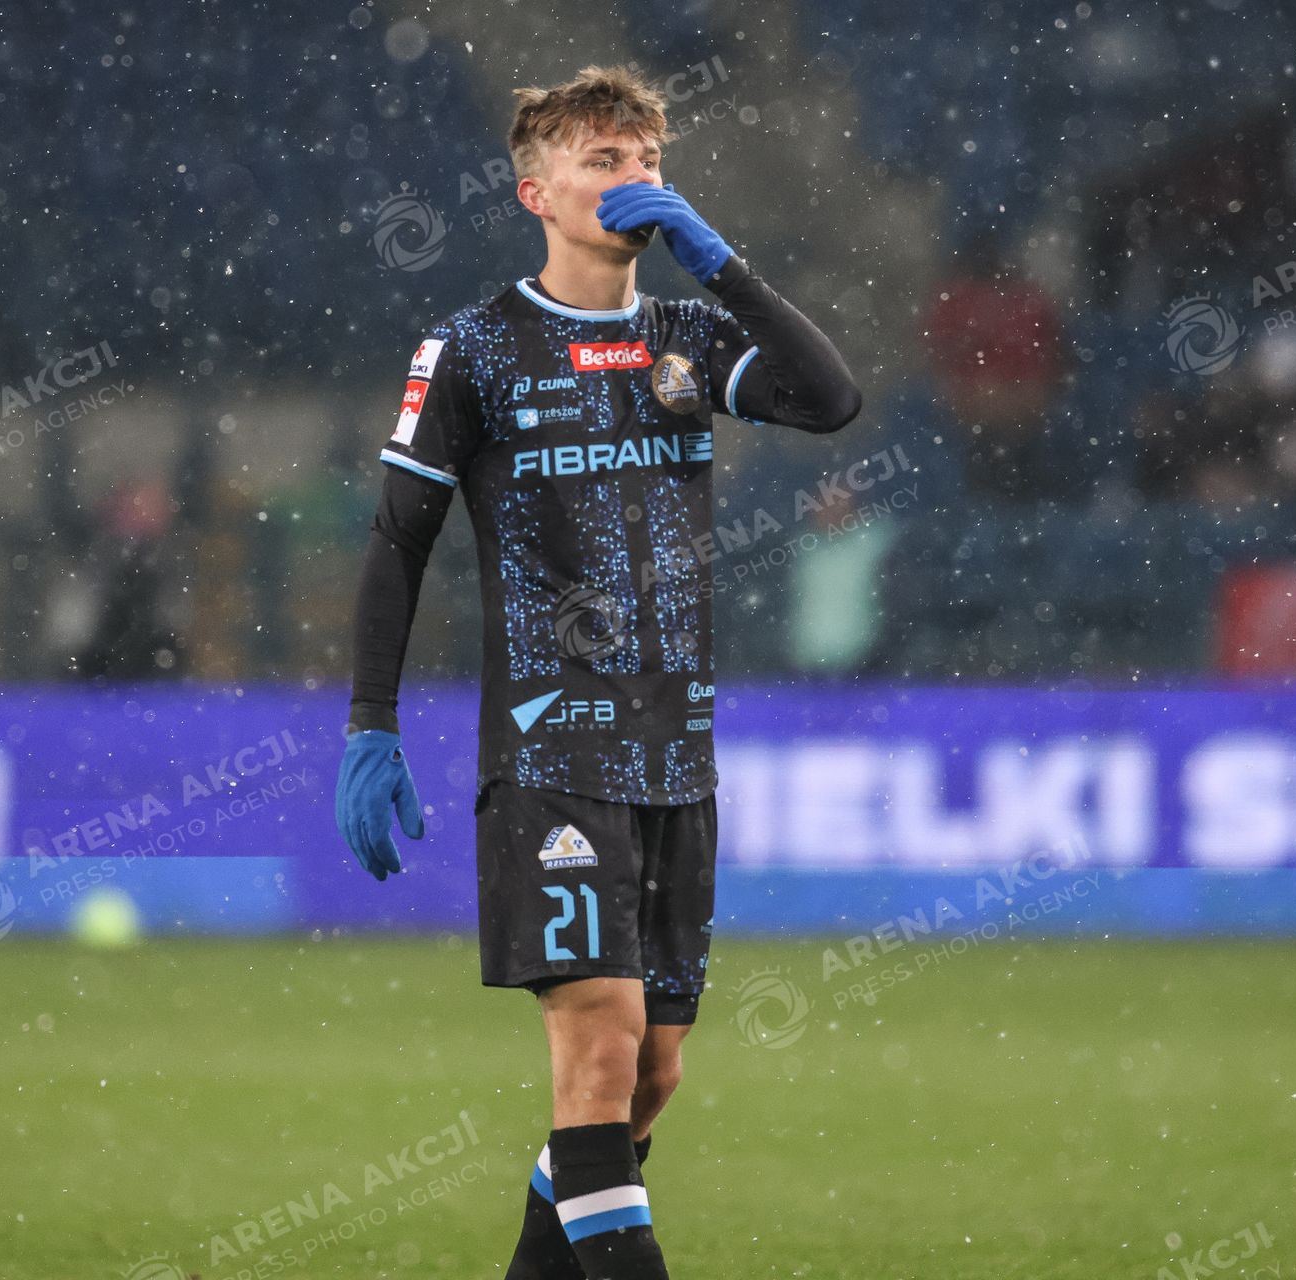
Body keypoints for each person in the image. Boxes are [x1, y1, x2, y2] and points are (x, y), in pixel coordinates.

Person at [332, 65, 859, 1279]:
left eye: (649, 160)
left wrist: (720, 265)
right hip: (552, 751)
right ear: (538, 191)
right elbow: (397, 541)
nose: (634, 181)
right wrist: (370, 721)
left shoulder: (685, 339)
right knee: (602, 1049)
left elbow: (831, 398)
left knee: (651, 1074)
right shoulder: (473, 347)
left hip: (676, 751)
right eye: (603, 160)